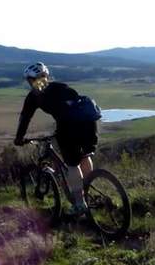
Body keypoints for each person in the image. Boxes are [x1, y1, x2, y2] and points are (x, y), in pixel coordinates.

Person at [13, 62, 98, 216]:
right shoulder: (61, 87)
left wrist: (19, 138)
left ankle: (80, 204)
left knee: (72, 164)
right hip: (88, 123)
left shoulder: (34, 97)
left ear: (29, 81)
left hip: (69, 125)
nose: (38, 81)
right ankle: (89, 190)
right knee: (85, 156)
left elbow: (25, 118)